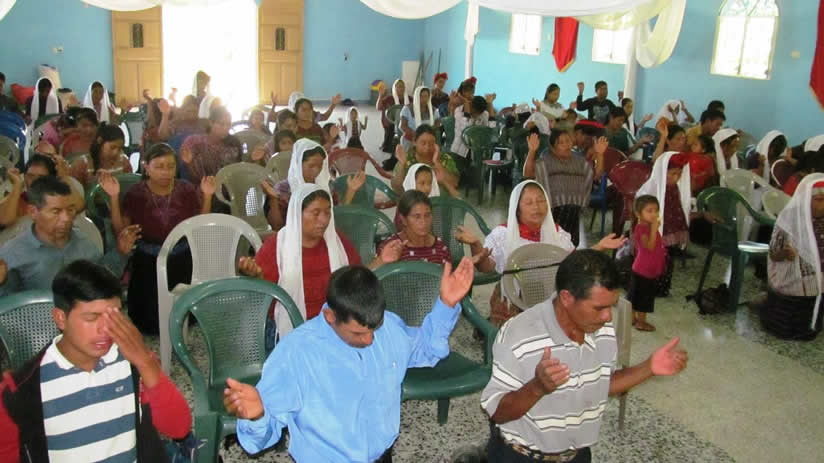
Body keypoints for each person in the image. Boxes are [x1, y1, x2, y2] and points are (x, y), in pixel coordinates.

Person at [224, 256, 474, 462]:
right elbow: (258, 441)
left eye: (374, 329)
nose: (369, 340)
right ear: (330, 316)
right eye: (358, 333)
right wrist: (257, 416)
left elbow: (426, 349)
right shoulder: (296, 355)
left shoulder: (388, 329)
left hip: (382, 455)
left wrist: (446, 304)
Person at [481, 249, 688, 462]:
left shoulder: (600, 329)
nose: (608, 317)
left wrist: (649, 367)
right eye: (599, 308)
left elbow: (601, 383)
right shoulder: (520, 334)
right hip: (521, 456)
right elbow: (497, 413)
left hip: (577, 454)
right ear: (566, 298)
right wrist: (537, 387)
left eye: (611, 306)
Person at [0, 260, 192, 462]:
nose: (105, 329)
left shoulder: (134, 364)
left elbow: (179, 428)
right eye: (92, 318)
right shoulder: (21, 389)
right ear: (60, 318)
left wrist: (145, 362)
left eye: (114, 316)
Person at [457, 181, 625, 327]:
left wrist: (599, 247)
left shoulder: (557, 234)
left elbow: (574, 262)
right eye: (528, 203)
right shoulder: (503, 234)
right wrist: (476, 244)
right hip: (514, 298)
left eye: (540, 200)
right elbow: (485, 267)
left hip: (550, 296)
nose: (536, 207)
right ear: (517, 209)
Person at [251, 184, 402, 335]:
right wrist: (255, 276)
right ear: (297, 214)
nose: (323, 220)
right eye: (316, 213)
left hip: (335, 326)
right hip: (291, 329)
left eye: (327, 212)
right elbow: (259, 297)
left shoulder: (336, 243)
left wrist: (381, 260)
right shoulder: (276, 248)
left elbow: (355, 280)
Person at [100, 143, 215, 334]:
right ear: (146, 168)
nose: (166, 172)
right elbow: (121, 232)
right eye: (159, 166)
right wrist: (114, 197)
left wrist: (208, 196)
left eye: (170, 166)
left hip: (182, 257)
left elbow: (199, 226)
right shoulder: (136, 193)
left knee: (184, 316)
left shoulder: (186, 189)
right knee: (149, 322)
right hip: (147, 260)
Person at [0, 176, 140, 296]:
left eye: (70, 210)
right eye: (56, 211)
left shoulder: (82, 241)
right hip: (36, 319)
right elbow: (7, 305)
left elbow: (101, 280)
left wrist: (120, 253)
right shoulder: (13, 252)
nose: (66, 218)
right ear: (33, 212)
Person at [763, 174, 824, 340]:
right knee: (786, 328)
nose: (822, 205)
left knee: (809, 330)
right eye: (818, 200)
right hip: (792, 279)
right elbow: (773, 254)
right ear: (806, 200)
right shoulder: (789, 219)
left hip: (817, 284)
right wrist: (785, 253)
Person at [524, 129, 596, 247]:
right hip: (554, 209)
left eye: (567, 141)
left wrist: (600, 154)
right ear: (553, 148)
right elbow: (528, 173)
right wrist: (532, 151)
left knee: (571, 243)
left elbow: (595, 175)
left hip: (574, 209)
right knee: (555, 243)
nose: (566, 145)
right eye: (561, 143)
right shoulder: (546, 160)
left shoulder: (579, 161)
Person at [636, 152, 691, 298]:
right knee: (653, 258)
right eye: (672, 174)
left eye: (679, 174)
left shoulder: (675, 188)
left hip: (672, 230)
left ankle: (663, 287)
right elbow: (641, 208)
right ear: (662, 171)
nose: (676, 178)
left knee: (668, 258)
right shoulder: (652, 188)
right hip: (655, 231)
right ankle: (651, 285)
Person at [264, 138, 332, 230]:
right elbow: (277, 226)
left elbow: (334, 220)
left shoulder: (325, 187)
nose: (316, 171)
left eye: (320, 166)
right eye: (311, 166)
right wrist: (273, 200)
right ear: (298, 164)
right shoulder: (283, 189)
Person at [379, 190, 451, 265]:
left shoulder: (440, 248)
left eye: (427, 215)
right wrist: (381, 260)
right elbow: (372, 271)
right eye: (417, 217)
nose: (423, 222)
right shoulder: (391, 248)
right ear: (403, 219)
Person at [629, 195, 667, 331]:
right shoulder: (641, 228)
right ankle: (641, 322)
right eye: (649, 211)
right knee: (643, 299)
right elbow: (649, 247)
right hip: (643, 270)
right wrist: (654, 229)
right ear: (638, 213)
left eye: (656, 210)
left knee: (636, 295)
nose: (654, 214)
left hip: (646, 269)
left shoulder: (648, 226)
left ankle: (631, 318)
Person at [392, 125, 460, 197]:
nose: (427, 147)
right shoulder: (407, 158)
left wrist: (437, 162)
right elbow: (396, 187)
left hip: (441, 201)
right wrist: (402, 164)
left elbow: (454, 183)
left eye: (431, 143)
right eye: (423, 143)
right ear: (414, 142)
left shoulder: (444, 158)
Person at [180, 105, 241, 184]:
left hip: (227, 187)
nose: (226, 128)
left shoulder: (233, 143)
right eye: (221, 124)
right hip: (200, 186)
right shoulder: (194, 142)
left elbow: (237, 170)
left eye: (228, 124)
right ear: (211, 123)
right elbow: (188, 174)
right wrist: (188, 163)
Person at [378, 79, 411, 159]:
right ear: (395, 88)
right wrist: (380, 96)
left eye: (402, 87)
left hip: (405, 123)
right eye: (399, 87)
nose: (401, 88)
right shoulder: (389, 98)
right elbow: (379, 107)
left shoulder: (409, 99)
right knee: (389, 146)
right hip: (391, 124)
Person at [451, 95, 490, 160]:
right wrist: (467, 113)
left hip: (475, 151)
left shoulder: (484, 114)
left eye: (479, 113)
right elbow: (465, 132)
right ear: (471, 105)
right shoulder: (459, 111)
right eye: (475, 112)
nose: (476, 115)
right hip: (459, 150)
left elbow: (486, 132)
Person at [399, 86, 439, 150]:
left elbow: (437, 123)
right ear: (416, 96)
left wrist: (428, 133)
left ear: (429, 97)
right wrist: (417, 136)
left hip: (427, 142)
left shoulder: (433, 110)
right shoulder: (407, 109)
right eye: (421, 96)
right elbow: (403, 126)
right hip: (410, 140)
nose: (424, 99)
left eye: (426, 96)